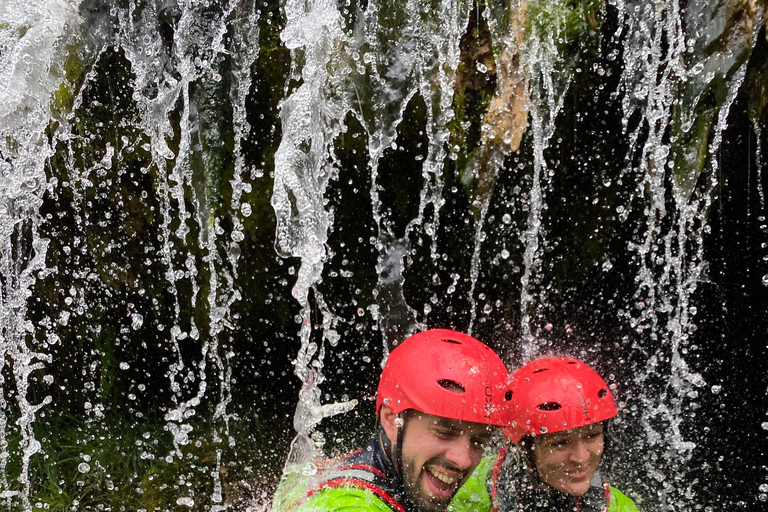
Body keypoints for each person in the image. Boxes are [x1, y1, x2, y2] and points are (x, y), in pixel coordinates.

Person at [281, 328, 513, 512]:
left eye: (478, 442)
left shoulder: (420, 472)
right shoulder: (344, 502)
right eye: (445, 432)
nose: (463, 460)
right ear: (392, 420)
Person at [450, 357, 639, 512]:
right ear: (523, 449)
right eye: (560, 443)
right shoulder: (463, 493)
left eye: (592, 436)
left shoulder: (620, 508)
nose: (581, 457)